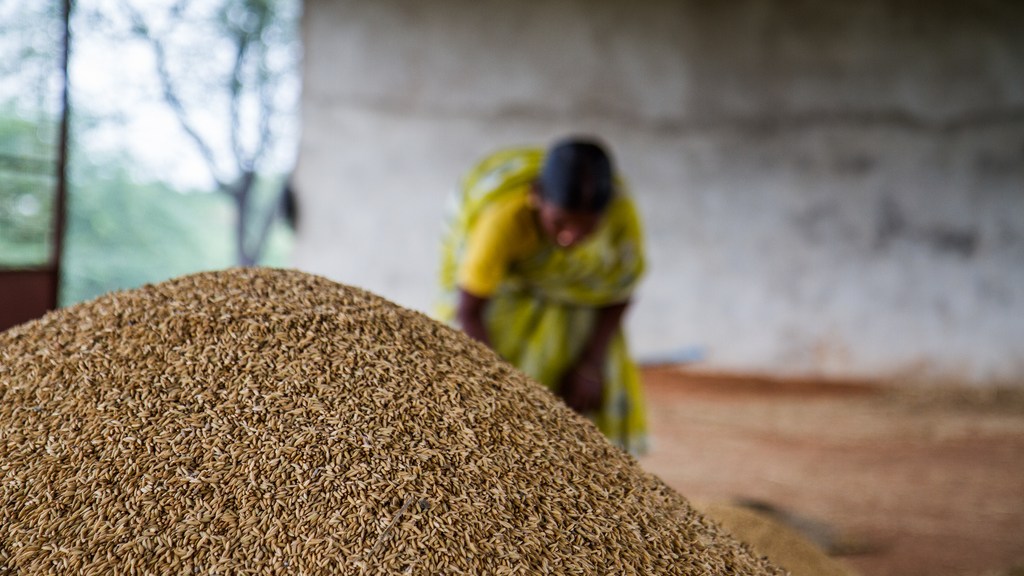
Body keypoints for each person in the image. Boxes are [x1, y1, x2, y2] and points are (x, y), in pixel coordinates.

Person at [436, 137, 649, 455]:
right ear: (536, 196)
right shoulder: (504, 220)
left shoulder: (621, 217)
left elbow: (620, 290)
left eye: (587, 227)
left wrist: (591, 365)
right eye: (559, 222)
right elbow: (468, 310)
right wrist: (499, 381)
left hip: (581, 307)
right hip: (504, 306)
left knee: (582, 413)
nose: (570, 237)